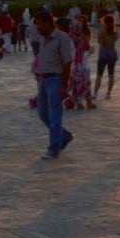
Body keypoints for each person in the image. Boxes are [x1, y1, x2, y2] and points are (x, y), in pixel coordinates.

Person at [31, 9, 75, 160]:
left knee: (55, 115)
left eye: (39, 25)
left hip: (56, 80)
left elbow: (67, 63)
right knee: (43, 113)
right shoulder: (43, 38)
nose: (37, 28)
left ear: (47, 23)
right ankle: (65, 136)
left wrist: (65, 86)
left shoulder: (62, 38)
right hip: (43, 79)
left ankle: (54, 148)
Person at [95, 13, 119, 99]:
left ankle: (95, 94)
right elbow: (114, 41)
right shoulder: (115, 32)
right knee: (111, 74)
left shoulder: (102, 31)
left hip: (103, 54)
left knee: (99, 75)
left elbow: (98, 41)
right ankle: (108, 93)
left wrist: (103, 39)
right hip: (112, 54)